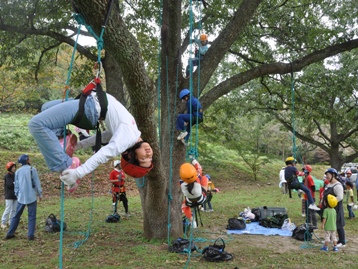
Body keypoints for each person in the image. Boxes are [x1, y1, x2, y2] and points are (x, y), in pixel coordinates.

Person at [28, 80, 154, 191]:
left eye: (144, 159)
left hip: (90, 108)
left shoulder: (127, 139)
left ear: (130, 155)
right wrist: (79, 145)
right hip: (90, 102)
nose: (149, 155)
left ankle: (64, 164)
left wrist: (78, 173)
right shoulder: (131, 133)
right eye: (150, 158)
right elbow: (106, 136)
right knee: (46, 107)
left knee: (36, 124)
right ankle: (63, 139)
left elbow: (104, 154)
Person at [5, 154, 42, 241]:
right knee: (32, 216)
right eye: (29, 159)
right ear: (27, 160)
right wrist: (40, 194)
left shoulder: (17, 172)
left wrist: (17, 194)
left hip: (21, 198)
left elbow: (16, 186)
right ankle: (30, 235)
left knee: (16, 216)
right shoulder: (33, 169)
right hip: (32, 197)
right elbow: (37, 183)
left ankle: (10, 233)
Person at [322, 168, 346, 248]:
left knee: (338, 224)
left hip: (336, 208)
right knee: (330, 224)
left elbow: (340, 197)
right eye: (326, 175)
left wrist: (331, 203)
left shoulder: (338, 185)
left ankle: (342, 241)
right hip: (328, 208)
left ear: (333, 175)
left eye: (328, 175)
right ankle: (330, 239)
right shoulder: (328, 184)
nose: (327, 177)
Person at [180, 161, 207, 227]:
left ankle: (192, 220)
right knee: (204, 178)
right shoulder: (198, 177)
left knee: (184, 207)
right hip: (201, 199)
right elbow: (199, 168)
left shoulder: (181, 183)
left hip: (189, 202)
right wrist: (194, 160)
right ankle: (204, 192)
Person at [1, 162, 18, 229]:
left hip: (15, 195)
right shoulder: (7, 176)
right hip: (9, 195)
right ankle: (3, 222)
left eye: (14, 167)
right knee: (8, 209)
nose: (14, 168)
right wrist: (16, 183)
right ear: (9, 168)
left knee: (14, 210)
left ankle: (11, 221)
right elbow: (10, 185)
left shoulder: (15, 175)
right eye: (12, 167)